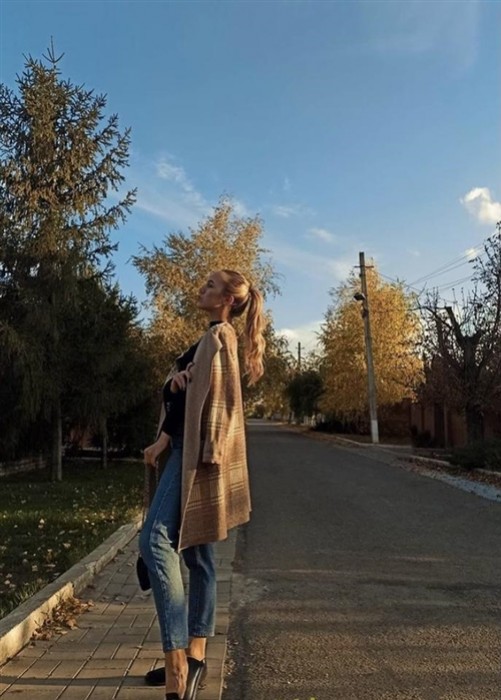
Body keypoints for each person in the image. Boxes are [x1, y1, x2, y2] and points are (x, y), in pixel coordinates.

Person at [139, 269, 266, 700]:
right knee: (198, 553)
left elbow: (224, 402)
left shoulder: (220, 336)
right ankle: (195, 655)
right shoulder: (207, 338)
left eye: (211, 285)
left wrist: (207, 453)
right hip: (186, 449)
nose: (202, 288)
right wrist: (175, 389)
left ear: (228, 299)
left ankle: (178, 664)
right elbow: (189, 395)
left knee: (155, 541)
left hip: (196, 456)